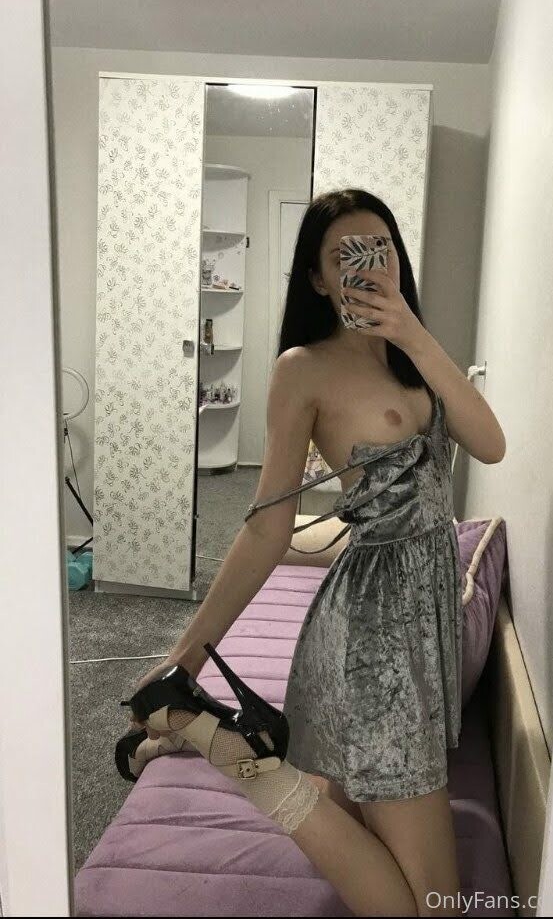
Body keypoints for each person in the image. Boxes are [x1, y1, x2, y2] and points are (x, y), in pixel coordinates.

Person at [117, 187, 506, 917]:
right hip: (373, 633)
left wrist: (413, 332)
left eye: (381, 247)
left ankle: (217, 740)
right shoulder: (303, 368)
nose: (369, 263)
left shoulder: (416, 356)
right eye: (347, 254)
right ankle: (218, 741)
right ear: (319, 279)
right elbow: (267, 526)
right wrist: (186, 657)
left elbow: (490, 443)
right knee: (434, 907)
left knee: (367, 838)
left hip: (421, 628)